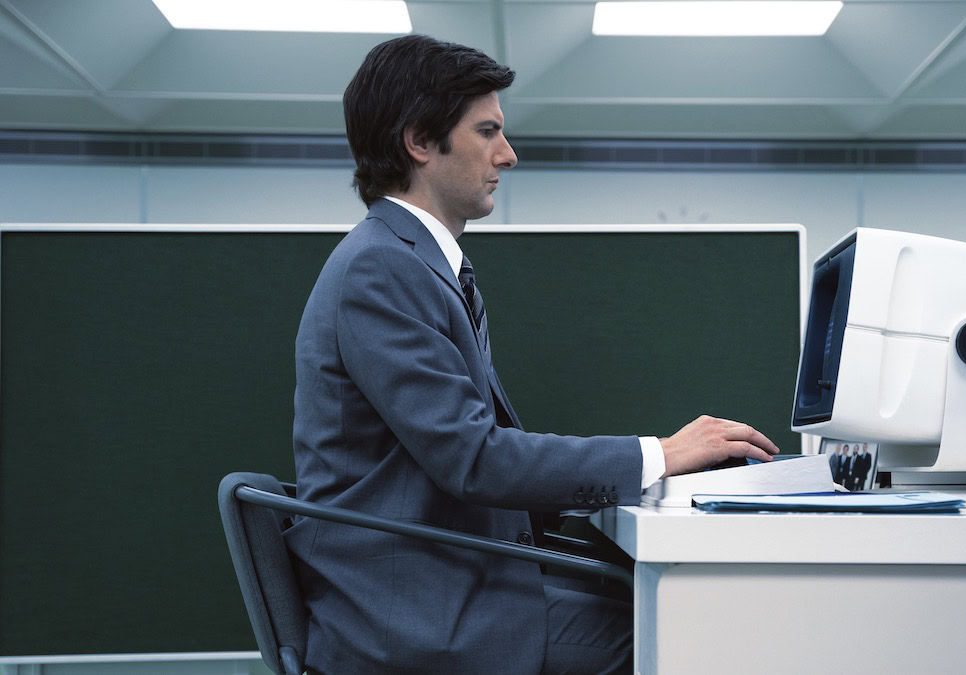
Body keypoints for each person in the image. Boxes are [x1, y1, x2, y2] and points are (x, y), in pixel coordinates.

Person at [284, 34, 780, 674]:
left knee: (668, 598)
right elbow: (474, 459)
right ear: (419, 142)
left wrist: (650, 473)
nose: (508, 155)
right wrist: (660, 454)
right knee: (683, 628)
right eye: (487, 131)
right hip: (416, 611)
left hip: (450, 578)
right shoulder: (382, 269)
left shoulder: (413, 263)